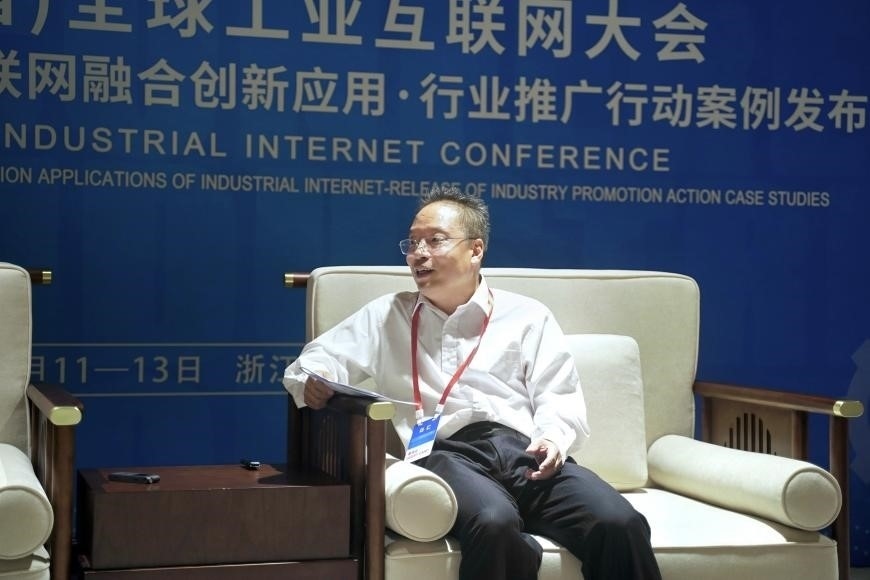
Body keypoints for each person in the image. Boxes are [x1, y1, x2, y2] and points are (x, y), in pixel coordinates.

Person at [283, 186, 661, 580]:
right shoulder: (388, 315)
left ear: (476, 250)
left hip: (524, 453)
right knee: (495, 522)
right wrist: (315, 382)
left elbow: (557, 394)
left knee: (619, 522)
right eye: (412, 242)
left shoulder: (526, 315)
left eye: (435, 240)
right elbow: (311, 363)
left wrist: (553, 439)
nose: (418, 253)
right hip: (444, 453)